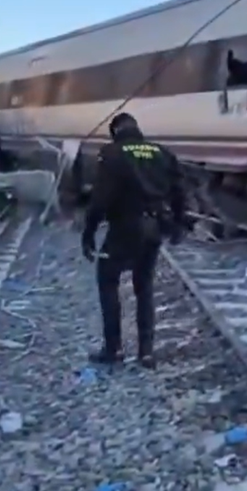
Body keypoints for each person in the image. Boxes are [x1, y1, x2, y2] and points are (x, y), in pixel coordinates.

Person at [81, 113, 187, 369]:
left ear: (115, 131)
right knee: (144, 286)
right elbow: (180, 191)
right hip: (154, 228)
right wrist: (178, 224)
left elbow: (100, 199)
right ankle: (146, 352)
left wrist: (89, 232)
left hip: (124, 228)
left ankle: (113, 349)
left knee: (108, 281)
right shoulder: (161, 153)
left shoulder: (112, 154)